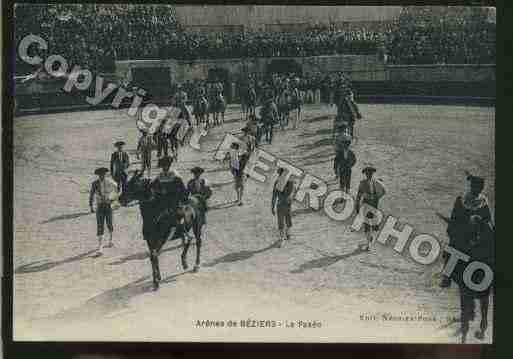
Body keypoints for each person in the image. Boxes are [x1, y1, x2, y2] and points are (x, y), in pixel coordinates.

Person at [440, 173, 494, 288]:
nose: (478, 189)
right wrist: (457, 228)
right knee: (454, 251)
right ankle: (447, 277)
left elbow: (488, 218)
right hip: (462, 232)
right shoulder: (461, 199)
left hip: (477, 232)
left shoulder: (483, 200)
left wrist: (487, 226)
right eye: (476, 187)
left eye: (480, 187)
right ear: (472, 186)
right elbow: (455, 217)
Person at [89, 167, 119, 256]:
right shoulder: (95, 184)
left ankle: (111, 240)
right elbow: (91, 194)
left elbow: (116, 191)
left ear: (105, 174)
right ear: (98, 175)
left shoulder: (110, 182)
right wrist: (91, 205)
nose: (102, 176)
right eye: (100, 175)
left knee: (109, 223)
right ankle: (100, 247)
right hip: (100, 206)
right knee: (100, 225)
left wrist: (112, 200)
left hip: (108, 206)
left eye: (103, 174)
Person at [355, 166, 386, 251]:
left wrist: (377, 197)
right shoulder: (362, 183)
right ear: (365, 174)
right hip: (366, 206)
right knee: (367, 225)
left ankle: (370, 239)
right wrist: (357, 206)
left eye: (370, 173)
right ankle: (368, 244)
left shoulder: (377, 183)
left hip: (375, 206)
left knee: (375, 225)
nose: (369, 175)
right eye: (368, 174)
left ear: (373, 174)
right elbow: (358, 195)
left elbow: (383, 191)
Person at [271, 167, 295, 247]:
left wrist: (272, 206)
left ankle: (285, 236)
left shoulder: (279, 183)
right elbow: (290, 195)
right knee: (285, 221)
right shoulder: (289, 183)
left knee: (284, 221)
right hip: (286, 205)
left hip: (282, 205)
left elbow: (274, 196)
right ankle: (285, 236)